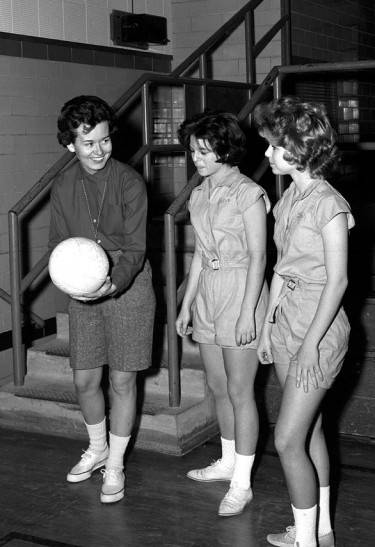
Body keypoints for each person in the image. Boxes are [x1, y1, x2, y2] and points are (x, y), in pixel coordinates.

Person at [253, 96, 354, 547]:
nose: (267, 154)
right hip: (288, 321)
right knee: (309, 432)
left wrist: (312, 344)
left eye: (273, 147)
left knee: (287, 439)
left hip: (320, 327)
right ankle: (323, 529)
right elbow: (281, 269)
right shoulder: (288, 197)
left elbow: (337, 283)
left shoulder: (331, 206)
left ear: (296, 149)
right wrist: (268, 323)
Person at [48, 95, 155, 504]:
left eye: (105, 141)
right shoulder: (63, 185)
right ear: (70, 144)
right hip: (83, 284)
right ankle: (97, 448)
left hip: (127, 284)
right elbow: (58, 243)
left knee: (122, 379)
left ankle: (116, 463)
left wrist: (116, 282)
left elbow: (136, 248)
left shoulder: (128, 181)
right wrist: (71, 281)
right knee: (84, 378)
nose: (99, 151)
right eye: (88, 143)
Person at [176, 111, 270, 517]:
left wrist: (249, 311)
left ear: (225, 148)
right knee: (217, 386)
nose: (196, 157)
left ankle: (242, 482)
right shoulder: (199, 193)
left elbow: (258, 256)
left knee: (239, 390)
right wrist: (185, 303)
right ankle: (227, 460)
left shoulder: (248, 193)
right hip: (210, 294)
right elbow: (199, 254)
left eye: (203, 150)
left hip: (240, 290)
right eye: (192, 150)